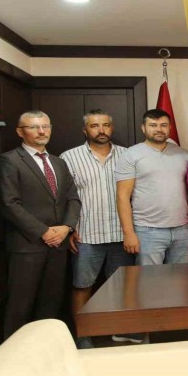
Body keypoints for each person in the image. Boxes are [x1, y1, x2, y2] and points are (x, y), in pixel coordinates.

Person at [0, 111, 81, 338]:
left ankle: (45, 349)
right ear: (20, 132)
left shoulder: (58, 162)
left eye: (45, 126)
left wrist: (67, 227)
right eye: (34, 127)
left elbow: (73, 198)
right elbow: (9, 204)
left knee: (51, 305)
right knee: (20, 307)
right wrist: (43, 232)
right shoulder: (9, 161)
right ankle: (13, 355)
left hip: (58, 245)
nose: (41, 131)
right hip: (27, 246)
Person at [60, 109, 132, 349]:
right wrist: (69, 228)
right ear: (85, 130)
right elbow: (62, 198)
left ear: (112, 127)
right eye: (94, 126)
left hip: (121, 234)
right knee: (82, 286)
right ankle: (83, 336)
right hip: (87, 234)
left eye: (105, 125)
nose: (101, 130)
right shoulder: (69, 157)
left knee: (121, 287)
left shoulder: (127, 155)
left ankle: (118, 330)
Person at [115, 109, 188, 266]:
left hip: (182, 230)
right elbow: (122, 196)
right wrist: (128, 233)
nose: (159, 129)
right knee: (150, 279)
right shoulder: (131, 154)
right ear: (143, 128)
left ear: (170, 127)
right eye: (153, 125)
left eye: (163, 125)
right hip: (148, 231)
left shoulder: (183, 154)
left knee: (181, 279)